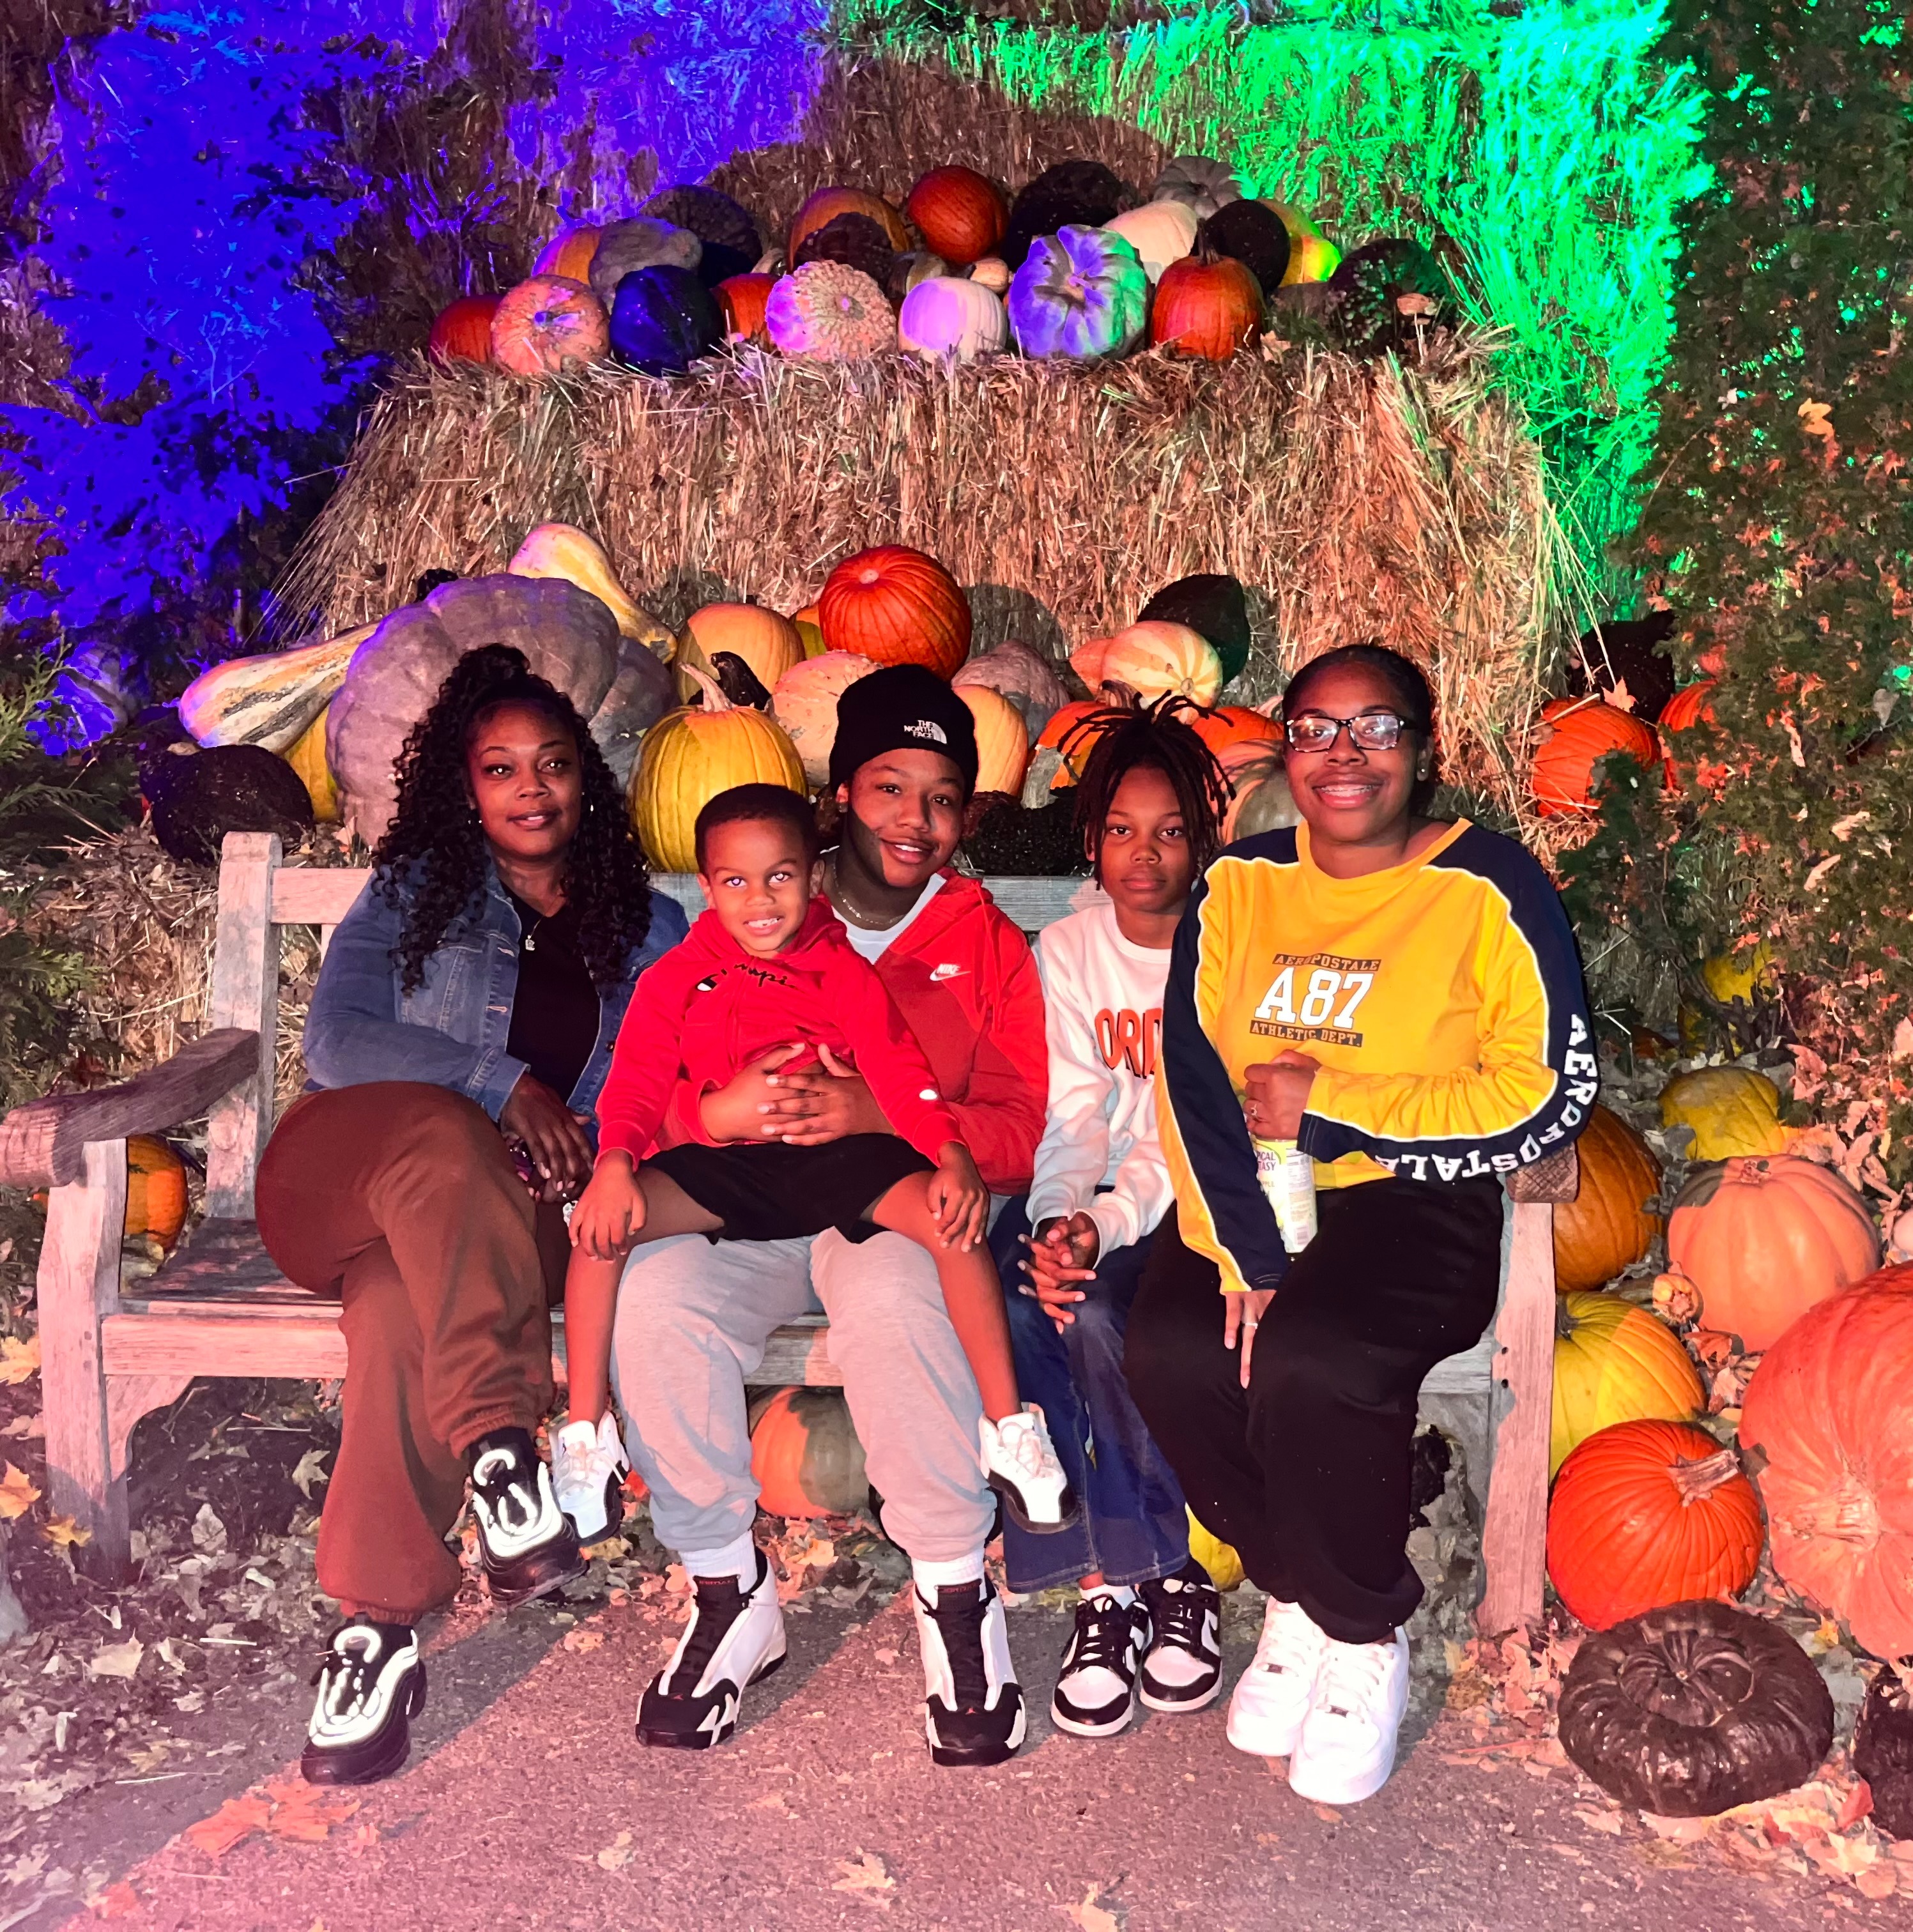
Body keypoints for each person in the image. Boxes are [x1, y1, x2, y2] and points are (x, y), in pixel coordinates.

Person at [1126, 643, 1595, 1806]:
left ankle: (1360, 1631)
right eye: (1314, 728)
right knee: (1172, 1349)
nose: (1343, 754)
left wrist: (1333, 1106)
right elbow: (1190, 1076)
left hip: (1411, 1193)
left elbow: (1544, 1092)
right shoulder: (1237, 884)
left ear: (1421, 750)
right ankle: (1296, 1589)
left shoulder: (1487, 885)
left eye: (1375, 727)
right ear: (1284, 748)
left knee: (1318, 1357)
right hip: (1248, 1188)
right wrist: (1242, 1250)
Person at [256, 644, 688, 1785]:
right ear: (466, 788)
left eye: (552, 764)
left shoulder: (652, 928)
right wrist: (501, 1085)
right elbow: (335, 1041)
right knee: (448, 1138)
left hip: (505, 1224)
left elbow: (673, 1085)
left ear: (586, 780)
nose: (530, 789)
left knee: (398, 1305)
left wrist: (590, 1143)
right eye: (500, 768)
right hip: (342, 1178)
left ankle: (377, 1629)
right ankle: (499, 1440)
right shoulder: (412, 893)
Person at [604, 665, 1051, 1766]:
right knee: (654, 1300)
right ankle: (727, 1588)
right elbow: (645, 1090)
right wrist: (708, 1114)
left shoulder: (985, 943)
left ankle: (953, 1589)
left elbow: (1015, 1130)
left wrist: (881, 1114)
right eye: (890, 787)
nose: (915, 819)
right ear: (839, 794)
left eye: (943, 798)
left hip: (880, 1208)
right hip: (741, 1197)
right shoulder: (736, 922)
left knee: (901, 1300)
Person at [557, 783, 1072, 1537]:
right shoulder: (675, 978)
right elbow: (635, 1082)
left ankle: (1009, 1429)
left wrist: (950, 1150)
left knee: (950, 1220)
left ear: (813, 875)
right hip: (728, 1166)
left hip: (836, 1157)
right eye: (736, 881)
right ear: (707, 887)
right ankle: (586, 1434)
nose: (761, 899)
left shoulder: (841, 970)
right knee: (601, 1228)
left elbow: (899, 1071)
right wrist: (614, 1163)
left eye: (780, 876)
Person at [1003, 700, 1233, 1738]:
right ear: (1091, 838)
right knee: (1040, 1303)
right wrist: (1059, 1222)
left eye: (1170, 830)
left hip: (1194, 1199)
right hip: (1097, 1195)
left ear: (1202, 838)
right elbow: (1072, 1114)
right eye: (1122, 830)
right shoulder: (1066, 950)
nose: (1145, 854)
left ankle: (1163, 1571)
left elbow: (1181, 1130)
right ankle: (1103, 1579)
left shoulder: (1221, 950)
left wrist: (1103, 1223)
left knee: (1109, 1317)